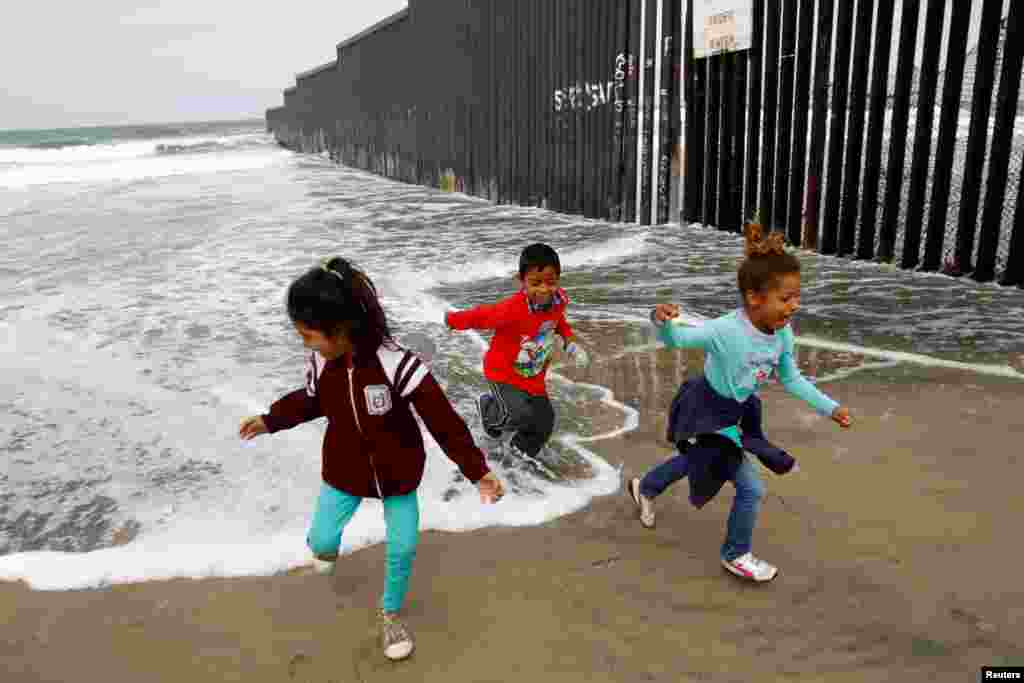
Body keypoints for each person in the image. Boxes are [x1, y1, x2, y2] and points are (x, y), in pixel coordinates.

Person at [238, 257, 504, 661]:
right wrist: (269, 420)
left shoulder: (397, 363)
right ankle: (324, 551)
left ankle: (390, 614)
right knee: (322, 542)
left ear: (340, 327)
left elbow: (445, 423)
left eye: (308, 335)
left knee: (403, 548)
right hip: (344, 469)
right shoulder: (321, 361)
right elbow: (310, 401)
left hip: (398, 473)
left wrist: (477, 471)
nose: (305, 344)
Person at [628, 224, 852, 582]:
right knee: (751, 488)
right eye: (786, 298)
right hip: (706, 411)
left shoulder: (782, 333)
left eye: (796, 297)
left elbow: (791, 378)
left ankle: (646, 487)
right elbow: (677, 340)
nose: (794, 305)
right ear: (754, 298)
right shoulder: (726, 331)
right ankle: (736, 554)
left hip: (737, 413)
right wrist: (662, 321)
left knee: (698, 459)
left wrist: (830, 408)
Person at [444, 243, 589, 461]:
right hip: (503, 373)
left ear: (558, 279)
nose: (544, 289)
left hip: (533, 374)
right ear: (521, 281)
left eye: (551, 282)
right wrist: (452, 320)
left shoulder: (558, 301)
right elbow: (481, 316)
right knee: (515, 414)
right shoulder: (512, 309)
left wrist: (570, 343)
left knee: (544, 423)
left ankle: (519, 458)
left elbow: (558, 321)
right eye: (535, 283)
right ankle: (487, 409)